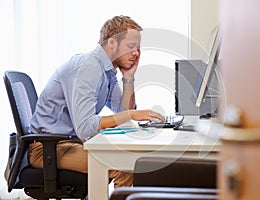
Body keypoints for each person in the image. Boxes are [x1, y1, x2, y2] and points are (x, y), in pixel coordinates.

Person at [28, 15, 165, 188]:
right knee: (124, 166)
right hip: (47, 150)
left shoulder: (105, 70)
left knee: (132, 157)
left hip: (71, 143)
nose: (137, 53)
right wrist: (131, 114)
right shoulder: (88, 67)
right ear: (112, 43)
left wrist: (128, 77)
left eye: (138, 48)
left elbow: (122, 110)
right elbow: (85, 128)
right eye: (131, 47)